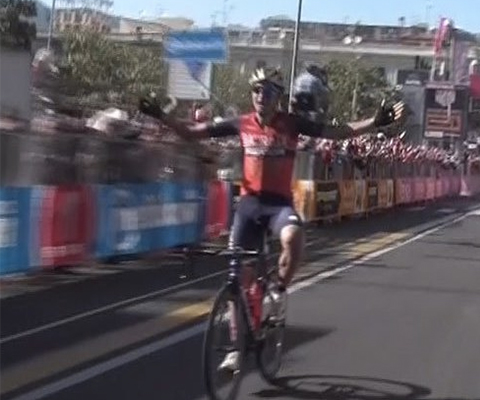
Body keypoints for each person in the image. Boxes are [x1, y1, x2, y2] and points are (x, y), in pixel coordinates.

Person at [140, 66, 405, 371]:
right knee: (238, 279)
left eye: (267, 92)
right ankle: (236, 348)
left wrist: (374, 122)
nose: (261, 96)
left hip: (278, 206)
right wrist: (161, 115)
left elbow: (338, 131)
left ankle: (278, 289)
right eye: (256, 90)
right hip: (249, 207)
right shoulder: (241, 123)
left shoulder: (291, 124)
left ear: (278, 97)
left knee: (294, 238)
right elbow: (191, 133)